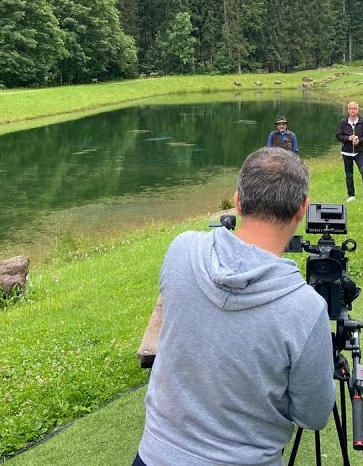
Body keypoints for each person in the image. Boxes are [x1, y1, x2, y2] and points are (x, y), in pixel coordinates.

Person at [135, 147, 336, 466]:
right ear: (302, 210)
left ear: (238, 201)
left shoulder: (181, 250)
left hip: (154, 456)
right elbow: (313, 415)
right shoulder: (305, 308)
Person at [335, 101, 363, 202]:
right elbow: (338, 136)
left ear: (358, 110)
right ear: (348, 110)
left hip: (359, 151)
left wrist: (359, 140)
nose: (353, 110)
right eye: (351, 108)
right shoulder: (343, 122)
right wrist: (348, 138)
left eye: (355, 108)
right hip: (346, 152)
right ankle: (351, 195)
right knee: (349, 175)